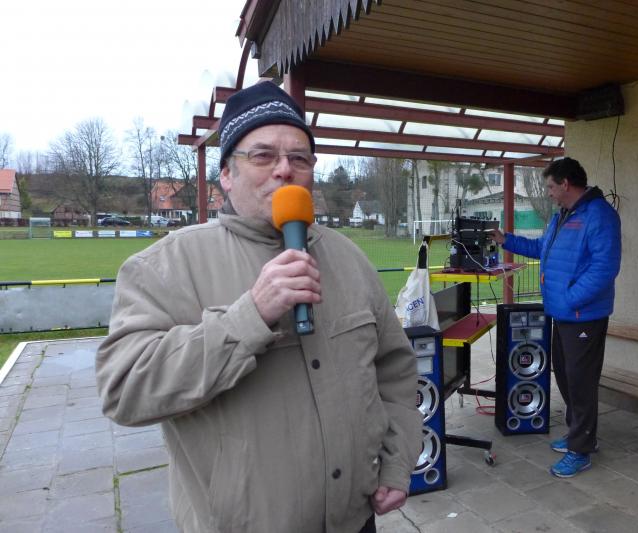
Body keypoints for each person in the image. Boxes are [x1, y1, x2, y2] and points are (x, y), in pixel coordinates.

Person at [95, 82, 422, 533]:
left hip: (354, 521)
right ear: (227, 175)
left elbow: (395, 371)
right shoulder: (165, 266)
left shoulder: (349, 258)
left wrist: (397, 461)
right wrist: (249, 316)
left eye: (300, 158)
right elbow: (124, 389)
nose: (284, 169)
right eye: (263, 155)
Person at [489, 157, 621, 478]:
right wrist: (506, 240)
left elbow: (605, 268)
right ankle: (580, 434)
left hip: (583, 315)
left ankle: (581, 450)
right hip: (562, 313)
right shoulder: (562, 215)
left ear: (565, 184)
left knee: (580, 382)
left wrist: (570, 298)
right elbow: (542, 248)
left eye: (550, 186)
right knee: (564, 374)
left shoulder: (599, 215)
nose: (548, 192)